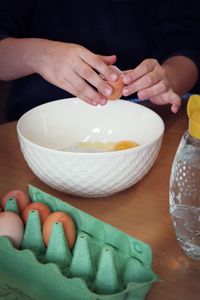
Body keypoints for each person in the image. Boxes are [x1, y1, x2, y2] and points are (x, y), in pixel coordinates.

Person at [0, 0, 200, 121]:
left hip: (143, 123)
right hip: (39, 125)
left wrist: (166, 80)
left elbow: (186, 48)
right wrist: (38, 55)